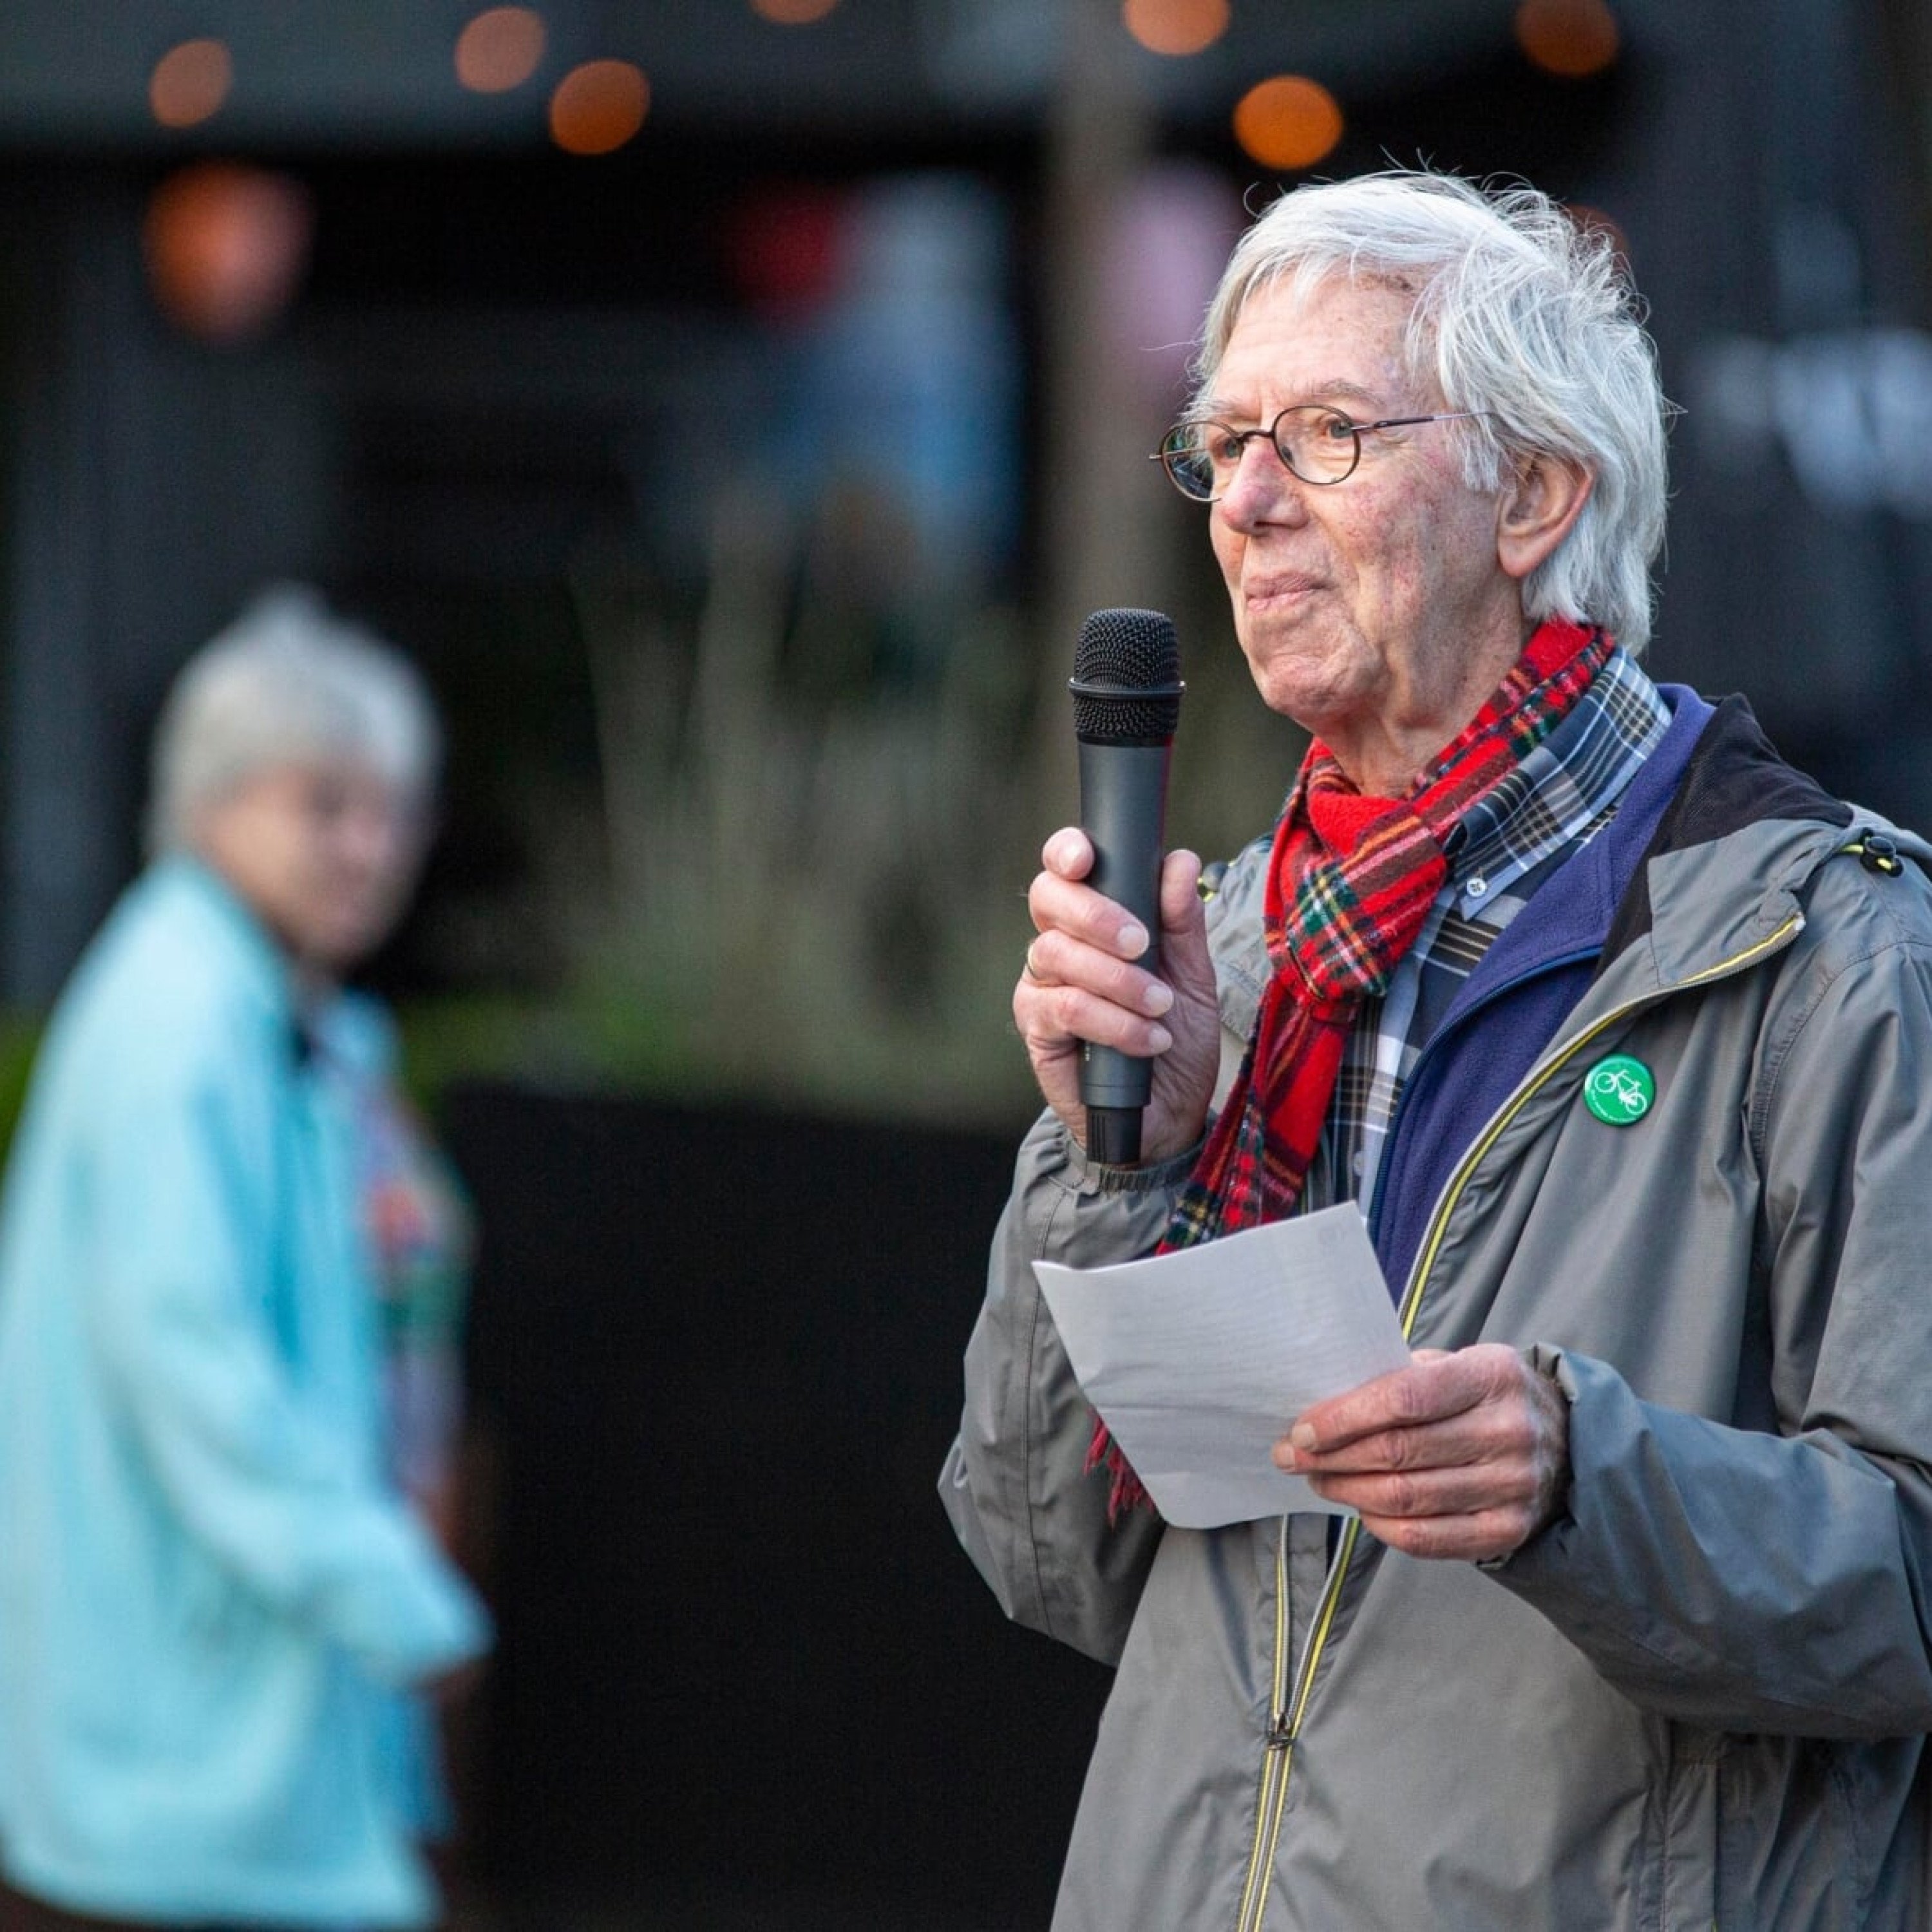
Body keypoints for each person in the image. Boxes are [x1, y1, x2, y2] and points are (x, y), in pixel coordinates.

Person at [940, 168, 1932, 1929]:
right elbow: (1048, 1566)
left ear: (1536, 494)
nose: (1242, 503)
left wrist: (1587, 1475)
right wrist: (1125, 1168)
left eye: (1322, 434)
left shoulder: (1834, 957)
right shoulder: (1226, 949)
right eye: (1221, 441)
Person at [0, 587, 491, 1931]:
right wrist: (397, 1596)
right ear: (208, 802)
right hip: (185, 1767)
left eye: (396, 806)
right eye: (325, 803)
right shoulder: (182, 1018)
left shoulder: (279, 1008)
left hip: (243, 1754)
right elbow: (192, 1365)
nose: (369, 846)